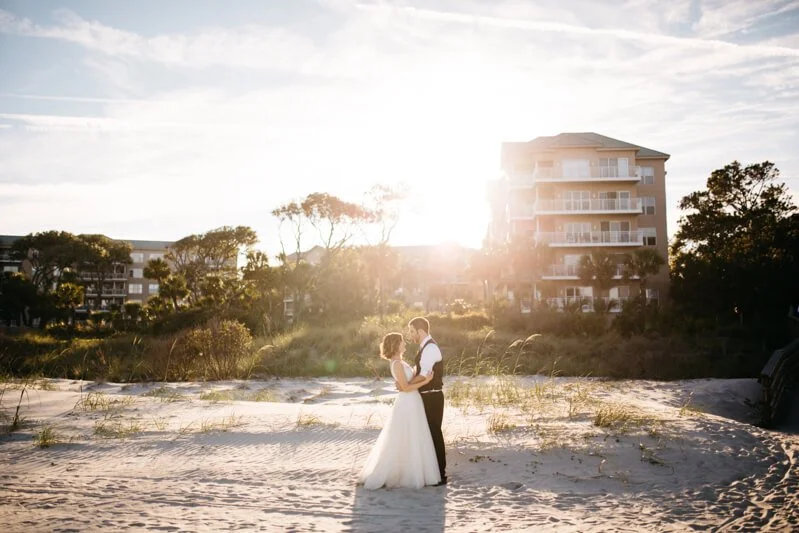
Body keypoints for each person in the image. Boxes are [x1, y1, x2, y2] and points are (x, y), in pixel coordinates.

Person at [359, 332, 441, 489]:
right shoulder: (396, 364)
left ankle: (414, 472)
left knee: (413, 436)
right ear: (396, 345)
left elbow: (406, 383)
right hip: (407, 402)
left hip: (413, 402)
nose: (405, 343)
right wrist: (426, 381)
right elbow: (406, 388)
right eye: (402, 341)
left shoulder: (400, 362)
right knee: (403, 436)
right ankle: (401, 474)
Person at [406, 316, 447, 485]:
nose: (410, 335)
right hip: (427, 395)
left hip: (433, 396)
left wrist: (405, 385)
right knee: (428, 434)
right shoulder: (424, 347)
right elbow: (420, 371)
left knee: (434, 433)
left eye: (412, 332)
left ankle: (441, 474)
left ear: (420, 331)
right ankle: (432, 472)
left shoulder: (430, 349)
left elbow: (425, 375)